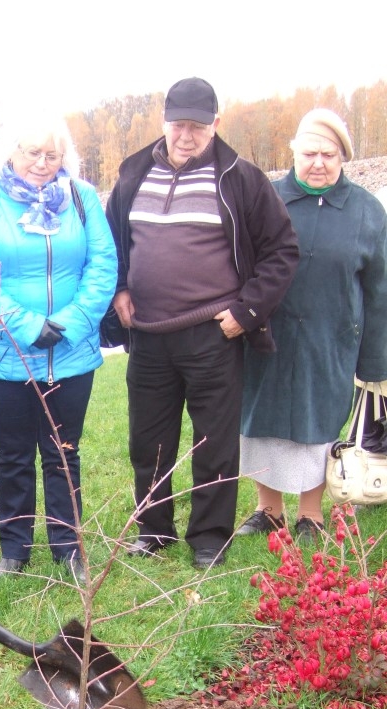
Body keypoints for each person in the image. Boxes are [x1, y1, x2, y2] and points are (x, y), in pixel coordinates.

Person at [105, 78, 299, 569]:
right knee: (148, 441)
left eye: (197, 125)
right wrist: (120, 288)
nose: (186, 135)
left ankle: (210, 536)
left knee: (213, 442)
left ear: (216, 124)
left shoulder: (240, 177)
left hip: (213, 332)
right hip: (148, 335)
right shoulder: (133, 172)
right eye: (178, 124)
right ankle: (153, 530)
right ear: (163, 122)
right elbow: (111, 246)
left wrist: (246, 312)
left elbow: (281, 251)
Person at [0, 119, 117, 582]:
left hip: (71, 351)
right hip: (6, 355)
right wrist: (25, 325)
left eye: (51, 155)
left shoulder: (83, 199)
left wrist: (72, 321)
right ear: (10, 153)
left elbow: (102, 264)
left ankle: (69, 548)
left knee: (64, 453)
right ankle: (15, 549)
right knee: (14, 455)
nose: (42, 164)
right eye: (31, 153)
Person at [238, 110, 387, 542]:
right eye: (309, 153)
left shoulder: (366, 210)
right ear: (294, 153)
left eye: (329, 154)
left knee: (318, 422)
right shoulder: (267, 198)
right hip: (268, 333)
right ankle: (268, 510)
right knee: (260, 418)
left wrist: (376, 361)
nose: (318, 162)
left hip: (332, 336)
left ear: (343, 156)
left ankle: (311, 514)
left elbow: (379, 288)